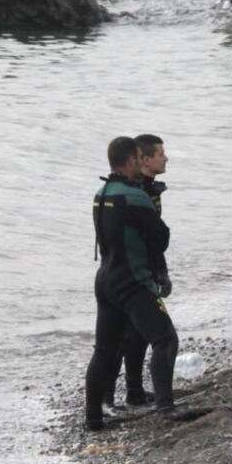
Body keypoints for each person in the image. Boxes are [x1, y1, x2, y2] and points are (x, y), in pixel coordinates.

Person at [85, 136, 180, 430]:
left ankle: (93, 419)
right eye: (139, 157)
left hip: (106, 279)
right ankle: (166, 408)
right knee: (165, 340)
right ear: (130, 162)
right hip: (132, 281)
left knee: (104, 349)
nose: (142, 161)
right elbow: (160, 239)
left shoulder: (101, 193)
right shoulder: (135, 197)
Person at [102, 134, 172, 410]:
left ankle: (134, 391)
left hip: (134, 271)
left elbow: (153, 240)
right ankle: (110, 397)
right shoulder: (132, 192)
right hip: (127, 274)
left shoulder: (146, 189)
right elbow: (147, 238)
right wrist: (155, 272)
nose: (166, 158)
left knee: (138, 334)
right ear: (141, 159)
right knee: (124, 336)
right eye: (160, 153)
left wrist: (160, 271)